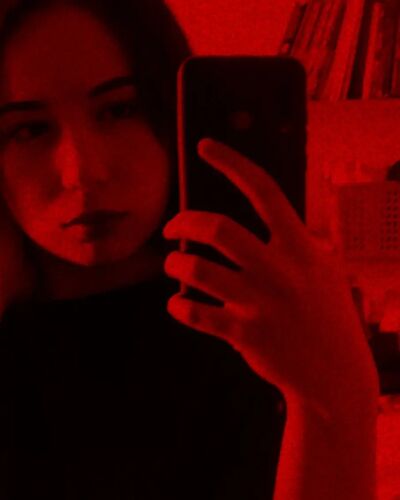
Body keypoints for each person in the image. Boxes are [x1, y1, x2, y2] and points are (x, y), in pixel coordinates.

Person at [0, 0, 379, 499]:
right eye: (29, 129)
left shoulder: (261, 320)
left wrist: (336, 401)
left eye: (118, 110)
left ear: (172, 108)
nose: (83, 172)